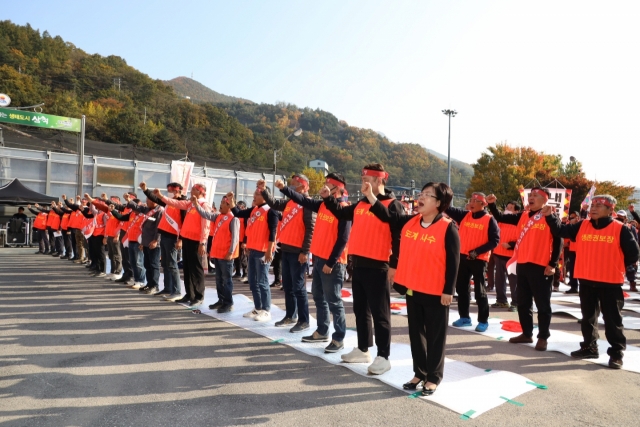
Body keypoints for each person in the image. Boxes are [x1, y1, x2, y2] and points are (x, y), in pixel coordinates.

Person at [365, 181, 459, 395]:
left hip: (436, 291)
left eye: (428, 194)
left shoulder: (448, 226)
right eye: (422, 193)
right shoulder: (412, 222)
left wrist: (448, 290)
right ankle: (420, 372)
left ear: (439, 203)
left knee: (435, 336)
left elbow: (454, 262)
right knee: (416, 335)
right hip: (413, 288)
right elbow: (390, 217)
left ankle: (433, 377)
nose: (421, 197)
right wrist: (371, 197)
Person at [322, 163, 404, 375]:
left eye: (367, 179)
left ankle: (383, 356)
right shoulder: (361, 204)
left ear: (379, 180)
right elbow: (341, 213)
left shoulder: (393, 204)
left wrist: (395, 265)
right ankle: (363, 348)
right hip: (358, 264)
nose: (363, 183)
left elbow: (396, 233)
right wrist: (328, 198)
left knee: (381, 314)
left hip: (379, 266)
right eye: (362, 178)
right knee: (360, 311)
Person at [542, 196, 639, 369]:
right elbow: (560, 231)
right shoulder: (582, 225)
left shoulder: (621, 229)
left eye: (599, 205)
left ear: (611, 210)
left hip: (610, 282)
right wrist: (550, 216)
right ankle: (590, 347)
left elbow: (633, 254)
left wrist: (615, 264)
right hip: (586, 279)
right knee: (588, 318)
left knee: (612, 320)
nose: (593, 208)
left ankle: (616, 353)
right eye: (592, 205)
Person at [272, 173, 351, 352]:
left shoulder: (344, 208)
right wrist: (284, 189)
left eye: (328, 184)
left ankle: (339, 338)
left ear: (337, 189)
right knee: (318, 296)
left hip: (333, 262)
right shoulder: (322, 205)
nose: (324, 186)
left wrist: (330, 262)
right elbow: (303, 199)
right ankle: (322, 330)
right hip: (319, 259)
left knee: (334, 301)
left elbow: (343, 239)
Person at [487, 188, 563, 351]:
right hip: (522, 264)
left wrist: (553, 264)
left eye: (535, 196)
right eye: (530, 195)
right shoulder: (522, 216)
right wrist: (492, 205)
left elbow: (558, 241)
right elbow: (500, 217)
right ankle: (527, 333)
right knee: (523, 302)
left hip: (541, 266)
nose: (531, 198)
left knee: (542, 304)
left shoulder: (550, 216)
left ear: (544, 200)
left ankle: (543, 337)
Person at [260, 174, 317, 332]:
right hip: (286, 249)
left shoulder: (307, 203)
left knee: (299, 287)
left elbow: (310, 229)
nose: (291, 186)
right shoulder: (291, 202)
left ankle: (304, 320)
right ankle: (291, 315)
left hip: (298, 251)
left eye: (294, 184)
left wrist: (305, 251)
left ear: (303, 186)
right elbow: (274, 203)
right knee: (288, 286)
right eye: (290, 184)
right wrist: (264, 190)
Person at [445, 193, 499, 332]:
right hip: (462, 258)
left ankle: (483, 320)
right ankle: (464, 317)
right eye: (471, 200)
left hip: (479, 260)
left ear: (483, 204)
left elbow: (495, 240)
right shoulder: (465, 215)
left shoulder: (489, 219)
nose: (472, 203)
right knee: (462, 289)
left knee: (480, 291)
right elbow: (448, 209)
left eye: (476, 201)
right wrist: (444, 196)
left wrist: (478, 251)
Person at [228, 185, 280, 322]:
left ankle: (266, 310)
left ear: (264, 195)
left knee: (262, 282)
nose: (253, 197)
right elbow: (238, 213)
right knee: (253, 281)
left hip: (263, 251)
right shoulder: (254, 210)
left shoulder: (271, 210)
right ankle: (257, 307)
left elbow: (273, 233)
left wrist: (269, 251)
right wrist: (231, 201)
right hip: (252, 250)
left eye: (256, 194)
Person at [156, 184, 211, 306]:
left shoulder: (203, 205)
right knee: (187, 268)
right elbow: (175, 203)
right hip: (187, 238)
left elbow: (206, 225)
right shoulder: (190, 203)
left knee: (196, 269)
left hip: (196, 241)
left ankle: (199, 296)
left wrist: (203, 242)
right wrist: (161, 196)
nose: (191, 191)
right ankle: (189, 294)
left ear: (200, 191)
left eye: (194, 189)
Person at [192, 195, 240, 313]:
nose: (220, 205)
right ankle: (221, 300)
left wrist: (230, 252)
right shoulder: (219, 216)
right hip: (218, 254)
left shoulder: (233, 218)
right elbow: (205, 214)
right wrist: (196, 205)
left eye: (223, 203)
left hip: (226, 255)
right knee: (219, 279)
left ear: (229, 205)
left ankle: (228, 303)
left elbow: (235, 238)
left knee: (226, 280)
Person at [142, 182, 187, 299]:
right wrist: (146, 190)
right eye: (171, 190)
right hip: (165, 235)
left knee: (172, 265)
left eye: (174, 190)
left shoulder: (183, 203)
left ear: (180, 190)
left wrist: (180, 239)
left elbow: (184, 222)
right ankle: (168, 288)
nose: (172, 192)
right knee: (166, 264)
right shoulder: (169, 202)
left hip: (173, 237)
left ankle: (176, 291)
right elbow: (156, 199)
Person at [129, 197, 164, 294]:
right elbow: (137, 208)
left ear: (153, 201)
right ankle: (149, 284)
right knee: (147, 264)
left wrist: (156, 240)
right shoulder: (148, 210)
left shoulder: (159, 211)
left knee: (154, 265)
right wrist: (129, 200)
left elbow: (159, 228)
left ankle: (155, 286)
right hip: (146, 241)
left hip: (154, 242)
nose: (146, 202)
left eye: (147, 200)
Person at [491, 201, 521, 311]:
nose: (507, 209)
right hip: (498, 254)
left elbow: (523, 239)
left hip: (512, 256)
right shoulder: (501, 221)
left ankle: (516, 303)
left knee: (514, 281)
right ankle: (501, 301)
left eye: (511, 208)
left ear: (516, 211)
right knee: (499, 280)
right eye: (507, 207)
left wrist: (511, 245)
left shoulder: (519, 222)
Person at [564, 211, 581, 294]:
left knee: (581, 269)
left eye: (573, 217)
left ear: (578, 217)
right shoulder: (571, 226)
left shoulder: (582, 225)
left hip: (581, 250)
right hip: (572, 250)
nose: (572, 219)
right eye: (571, 217)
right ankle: (574, 286)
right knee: (572, 269)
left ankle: (582, 287)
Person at [233, 200, 248, 280]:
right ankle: (237, 272)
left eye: (239, 206)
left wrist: (245, 241)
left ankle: (245, 274)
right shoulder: (236, 216)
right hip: (236, 239)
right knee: (236, 257)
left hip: (242, 239)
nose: (238, 208)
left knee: (243, 257)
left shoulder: (245, 216)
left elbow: (247, 229)